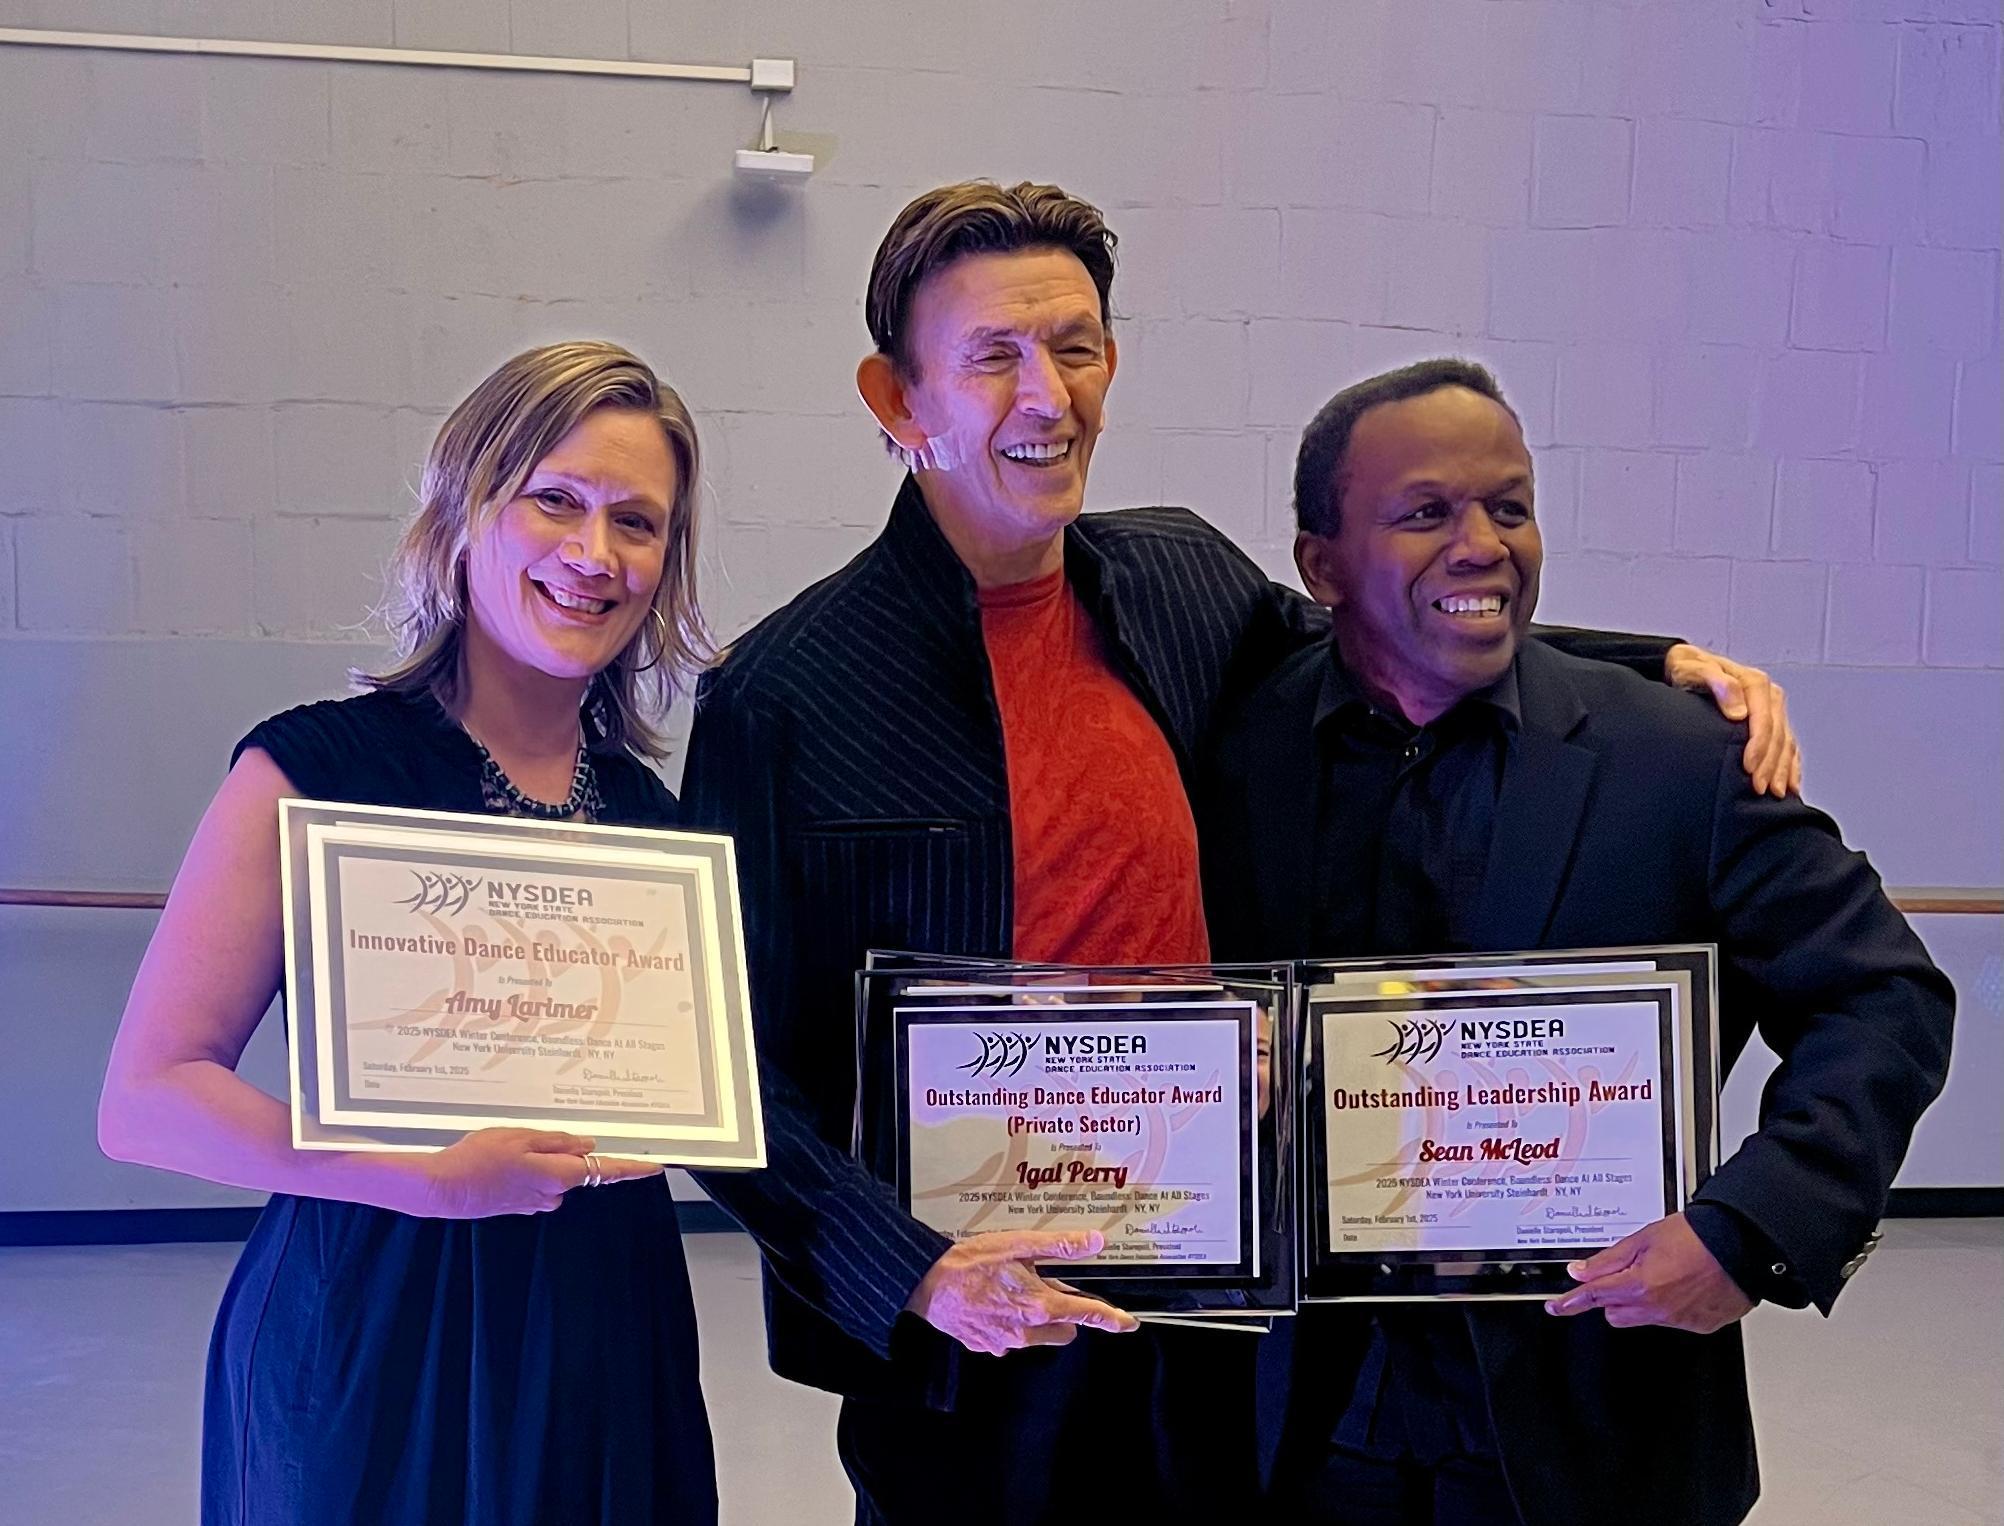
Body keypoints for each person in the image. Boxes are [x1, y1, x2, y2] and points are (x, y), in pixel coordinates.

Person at [680, 181, 1800, 1526]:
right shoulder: (790, 695)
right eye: (994, 356)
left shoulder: (1179, 581)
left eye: (1076, 346)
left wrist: (1649, 668)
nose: (1048, 393)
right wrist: (914, 1274)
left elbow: (1387, 634)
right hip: (980, 1335)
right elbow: (731, 1073)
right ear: (895, 395)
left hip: (1220, 1317)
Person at [96, 341, 1135, 1526]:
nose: (595, 554)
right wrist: (421, 1178)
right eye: (556, 500)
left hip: (607, 1318)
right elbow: (147, 1097)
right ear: (464, 511)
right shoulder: (315, 767)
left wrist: (940, 1240)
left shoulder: (652, 819)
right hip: (374, 1314)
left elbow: (740, 1096)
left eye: (637, 523)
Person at [1201, 358, 1954, 1526]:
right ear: (1322, 564)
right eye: (1426, 512)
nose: (1482, 544)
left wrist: (1748, 1227)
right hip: (1297, 1429)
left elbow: (1885, 998)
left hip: (1595, 1417)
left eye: (1510, 505)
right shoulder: (1230, 758)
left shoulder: (1681, 762)